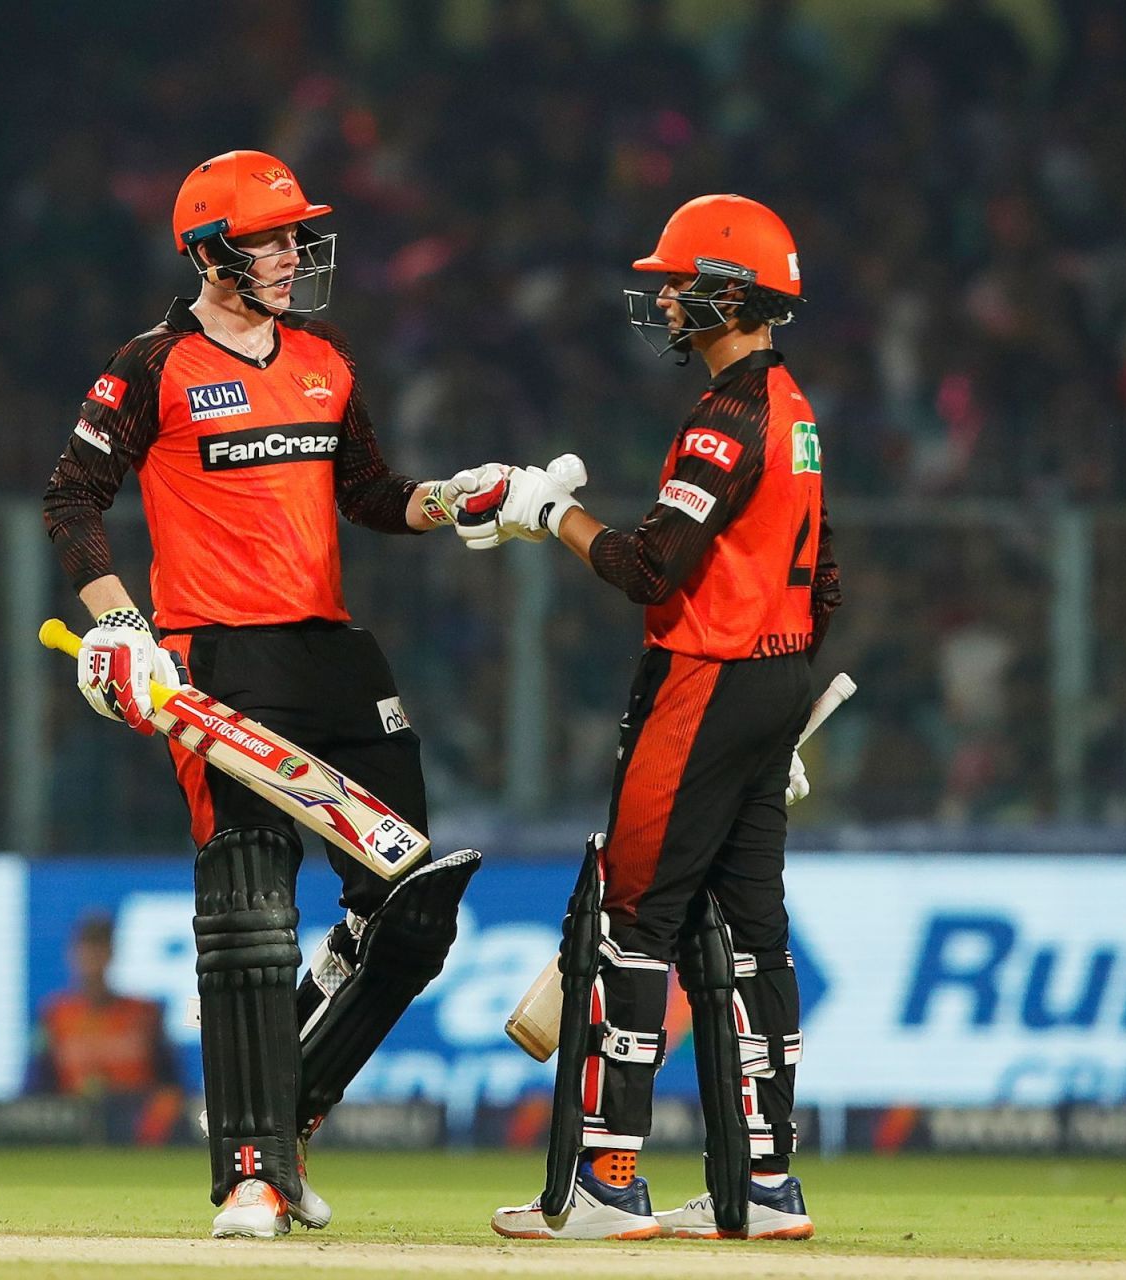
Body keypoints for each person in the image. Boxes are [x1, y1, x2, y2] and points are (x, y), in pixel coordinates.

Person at [41, 150, 497, 1239]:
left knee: (413, 899)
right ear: (210, 252)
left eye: (298, 236)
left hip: (332, 655)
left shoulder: (328, 365)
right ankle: (249, 1170)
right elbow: (72, 500)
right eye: (274, 238)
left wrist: (463, 499)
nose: (295, 253)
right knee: (249, 905)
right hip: (215, 662)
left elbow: (372, 496)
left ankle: (287, 1111)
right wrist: (121, 625)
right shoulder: (149, 366)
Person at [465, 194, 840, 1241]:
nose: (668, 297)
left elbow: (648, 568)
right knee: (757, 935)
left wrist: (551, 514)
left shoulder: (726, 417)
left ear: (731, 291)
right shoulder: (798, 409)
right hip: (772, 677)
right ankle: (767, 1186)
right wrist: (780, 708)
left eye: (682, 280)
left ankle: (607, 1180)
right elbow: (828, 580)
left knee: (633, 920)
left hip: (704, 683)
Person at [25, 912, 178, 1098]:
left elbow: (172, 1085)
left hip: (135, 1122)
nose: (93, 959)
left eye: (100, 948)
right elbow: (35, 1089)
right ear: (72, 954)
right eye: (87, 948)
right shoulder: (53, 1016)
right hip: (75, 1121)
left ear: (112, 952)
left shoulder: (145, 1014)